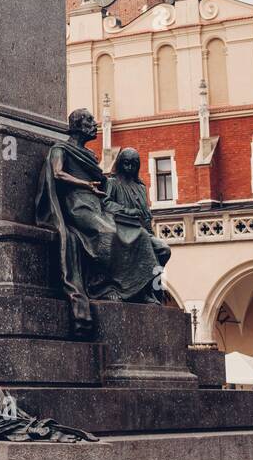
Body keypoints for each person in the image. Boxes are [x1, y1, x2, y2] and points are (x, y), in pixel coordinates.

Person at [36, 110, 162, 337]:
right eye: (89, 121)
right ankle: (102, 287)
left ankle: (132, 290)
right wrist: (85, 185)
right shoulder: (60, 149)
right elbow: (57, 174)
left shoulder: (89, 155)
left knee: (139, 236)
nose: (94, 124)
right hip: (78, 206)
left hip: (96, 206)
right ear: (76, 126)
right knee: (108, 234)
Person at [103, 147, 171, 302]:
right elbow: (106, 204)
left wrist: (148, 226)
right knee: (144, 244)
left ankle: (154, 287)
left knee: (163, 250)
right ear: (120, 164)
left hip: (141, 230)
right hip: (121, 227)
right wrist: (127, 211)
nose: (129, 167)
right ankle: (144, 291)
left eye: (133, 164)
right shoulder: (112, 183)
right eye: (126, 163)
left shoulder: (140, 187)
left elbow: (145, 214)